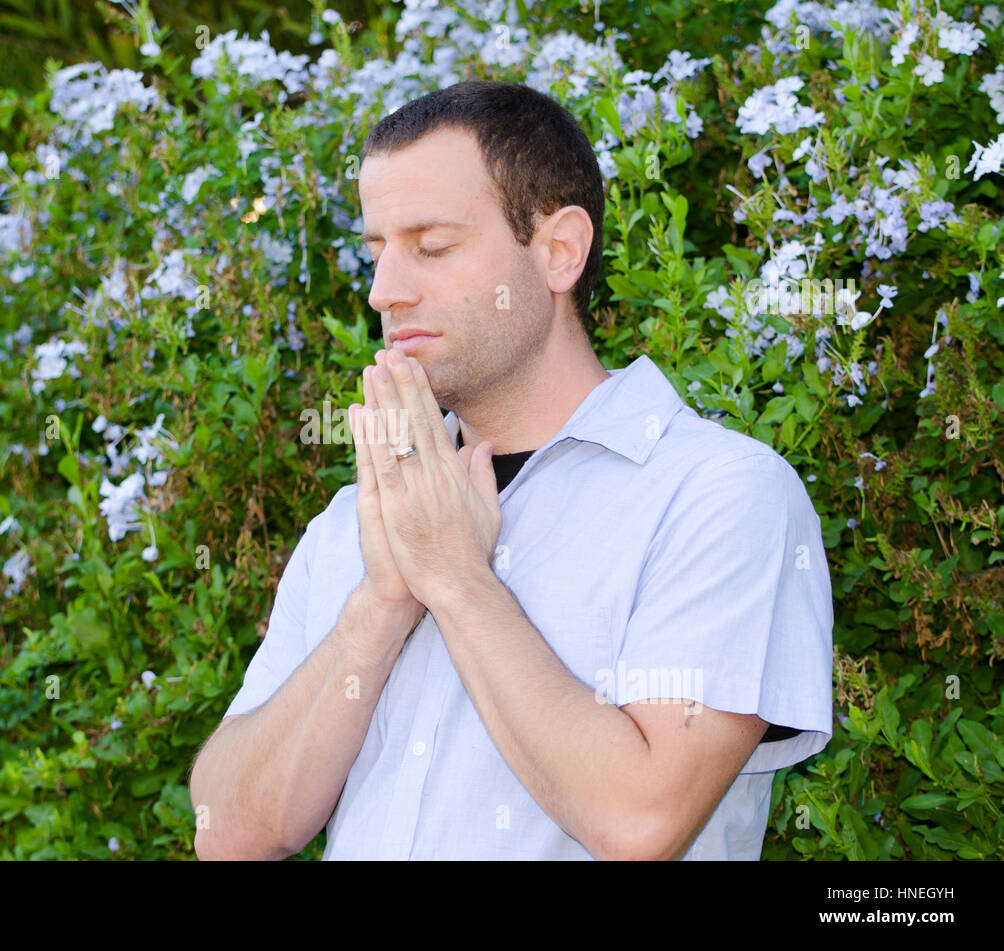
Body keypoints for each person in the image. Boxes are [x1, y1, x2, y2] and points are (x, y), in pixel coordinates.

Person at [189, 80, 833, 860]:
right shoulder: (355, 520)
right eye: (376, 250)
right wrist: (383, 603)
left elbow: (641, 821)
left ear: (559, 250)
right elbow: (227, 833)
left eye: (432, 246)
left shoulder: (718, 496)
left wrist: (457, 581)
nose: (383, 291)